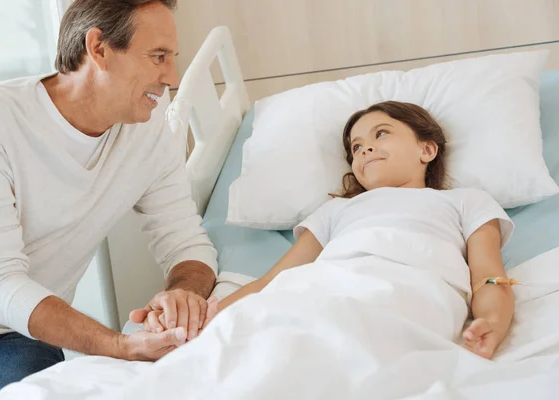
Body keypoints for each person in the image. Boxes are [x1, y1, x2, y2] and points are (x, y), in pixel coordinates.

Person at [0, 1, 217, 398]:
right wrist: (119, 346)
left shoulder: (147, 136)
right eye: (158, 56)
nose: (172, 76)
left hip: (15, 337)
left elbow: (187, 243)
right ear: (98, 47)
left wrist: (184, 292)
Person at [204, 100, 516, 360]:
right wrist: (203, 322)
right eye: (356, 146)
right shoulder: (335, 211)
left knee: (361, 345)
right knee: (264, 341)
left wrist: (493, 322)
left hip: (414, 288)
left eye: (381, 134)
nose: (366, 149)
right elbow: (272, 282)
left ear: (427, 150)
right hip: (323, 286)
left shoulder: (465, 201)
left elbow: (488, 276)